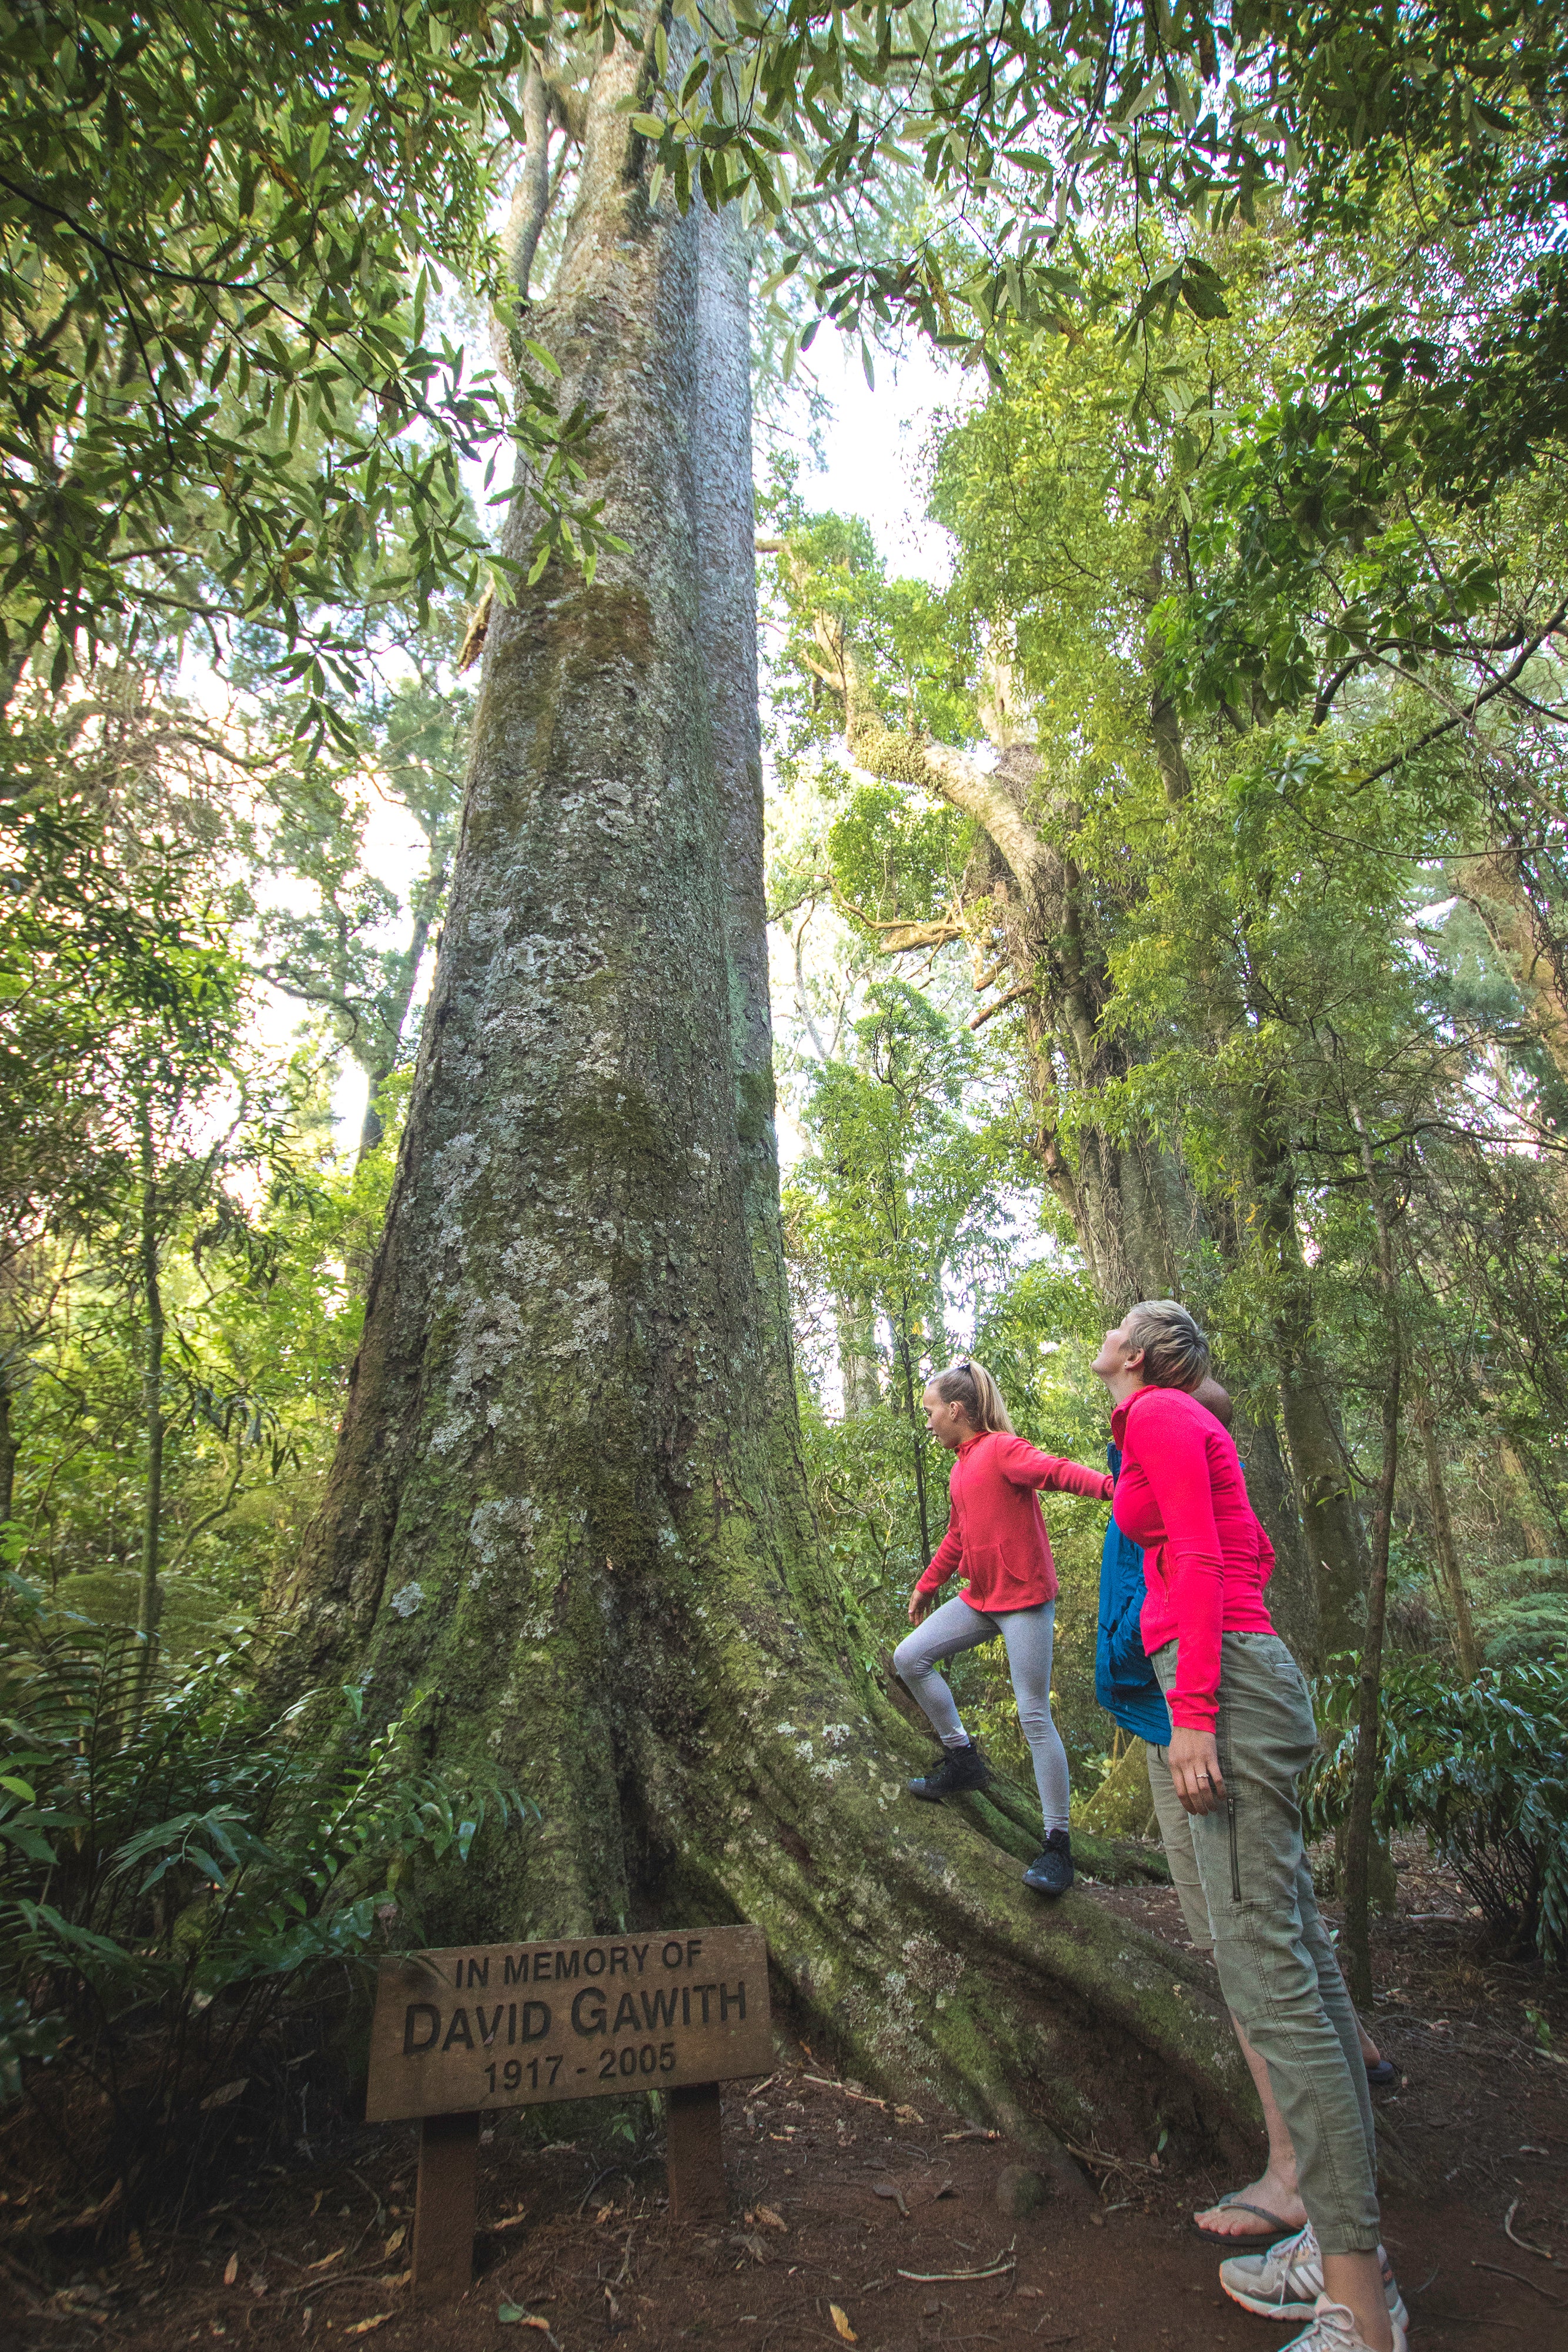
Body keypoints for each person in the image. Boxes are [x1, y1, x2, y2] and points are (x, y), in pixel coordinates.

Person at [1095, 1301, 1407, 2352]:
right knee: (1297, 1970)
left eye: (1114, 1328)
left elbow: (1203, 1556)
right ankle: (1334, 2246)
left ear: (1135, 1355)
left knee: (1275, 1987)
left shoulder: (1162, 1418)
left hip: (1221, 1684)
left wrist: (1191, 1715)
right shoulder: (1169, 1425)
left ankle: (1359, 2313)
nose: (1104, 1335)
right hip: (1232, 1674)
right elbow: (1239, 1544)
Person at [892, 1356, 1114, 1896]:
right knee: (908, 1658)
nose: (926, 1422)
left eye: (930, 1412)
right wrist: (927, 1585)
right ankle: (962, 1757)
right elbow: (957, 1537)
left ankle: (1057, 1849)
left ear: (956, 1410)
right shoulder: (959, 1465)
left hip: (1025, 1603)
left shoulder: (1000, 1449)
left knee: (1034, 1715)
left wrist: (1112, 1488)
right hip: (981, 1598)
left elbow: (1055, 1471)